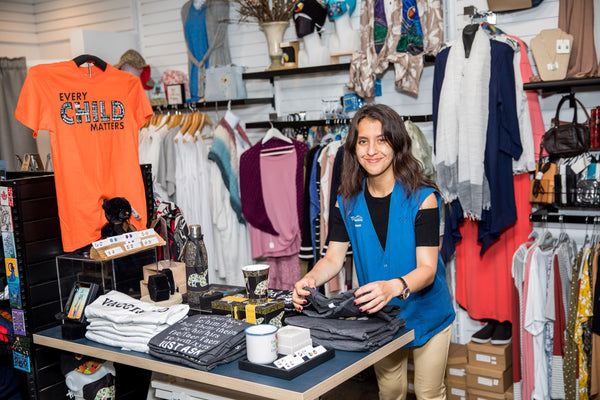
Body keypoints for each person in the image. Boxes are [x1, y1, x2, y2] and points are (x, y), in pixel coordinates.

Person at [292, 104, 455, 399]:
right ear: (354, 148)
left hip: (428, 311)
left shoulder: (424, 199)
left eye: (381, 139)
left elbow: (428, 268)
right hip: (380, 319)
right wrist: (310, 280)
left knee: (429, 393)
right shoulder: (347, 200)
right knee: (390, 391)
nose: (372, 150)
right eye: (363, 141)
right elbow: (333, 258)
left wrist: (394, 287)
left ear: (396, 142)